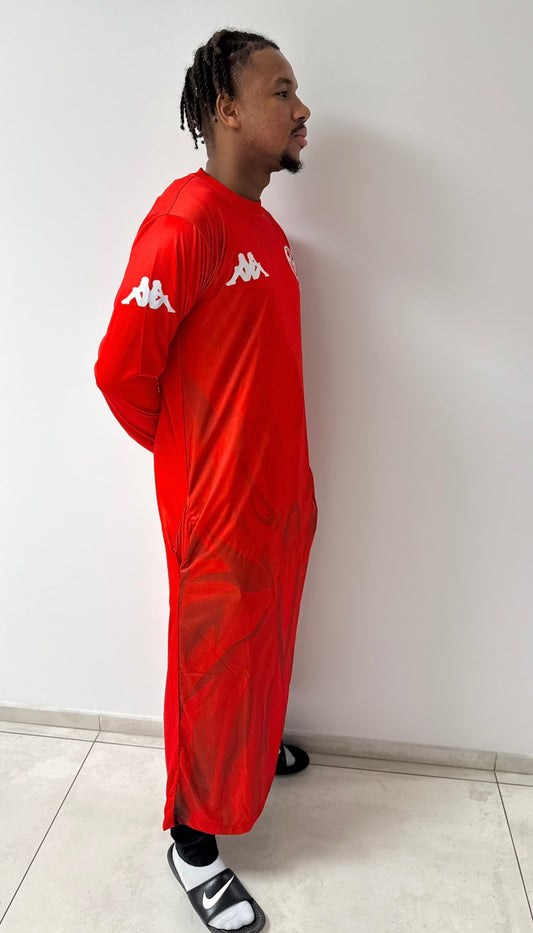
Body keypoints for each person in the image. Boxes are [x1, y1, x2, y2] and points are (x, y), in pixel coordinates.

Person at [94, 28, 317, 933]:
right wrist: (197, 463)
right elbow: (121, 372)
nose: (301, 109)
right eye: (280, 92)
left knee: (262, 640)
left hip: (278, 494)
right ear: (224, 110)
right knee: (211, 660)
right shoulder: (185, 224)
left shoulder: (261, 225)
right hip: (219, 504)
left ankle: (246, 755)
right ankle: (193, 842)